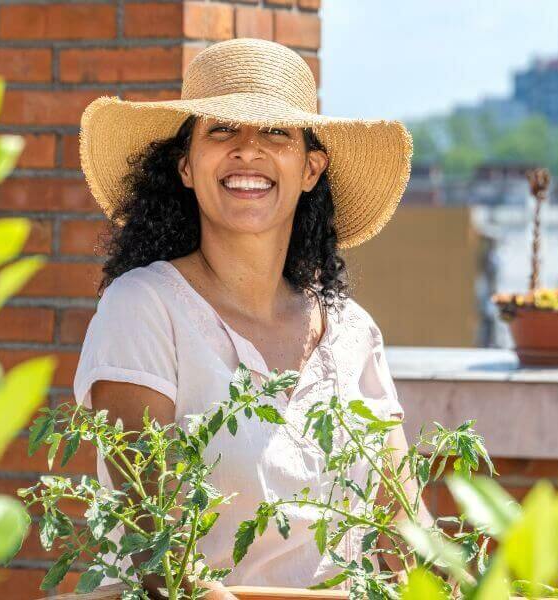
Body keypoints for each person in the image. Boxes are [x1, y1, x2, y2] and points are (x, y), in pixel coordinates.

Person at [73, 38, 417, 598]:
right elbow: (155, 548)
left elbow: (408, 531)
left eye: (276, 132)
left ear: (311, 169)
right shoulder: (143, 307)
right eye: (222, 131)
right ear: (187, 166)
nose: (248, 150)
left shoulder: (353, 331)